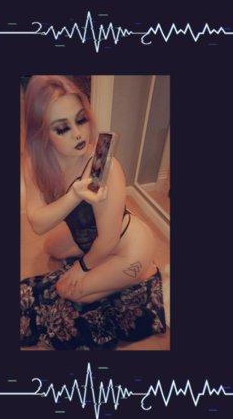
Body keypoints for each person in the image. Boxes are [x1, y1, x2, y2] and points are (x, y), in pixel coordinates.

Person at [20, 75, 166, 350]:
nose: (78, 134)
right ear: (42, 133)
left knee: (67, 290)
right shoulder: (34, 162)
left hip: (126, 245)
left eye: (81, 120)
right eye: (62, 128)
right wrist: (74, 195)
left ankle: (144, 272)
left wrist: (83, 267)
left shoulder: (104, 168)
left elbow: (108, 240)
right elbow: (38, 223)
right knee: (51, 248)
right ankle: (111, 271)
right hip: (89, 233)